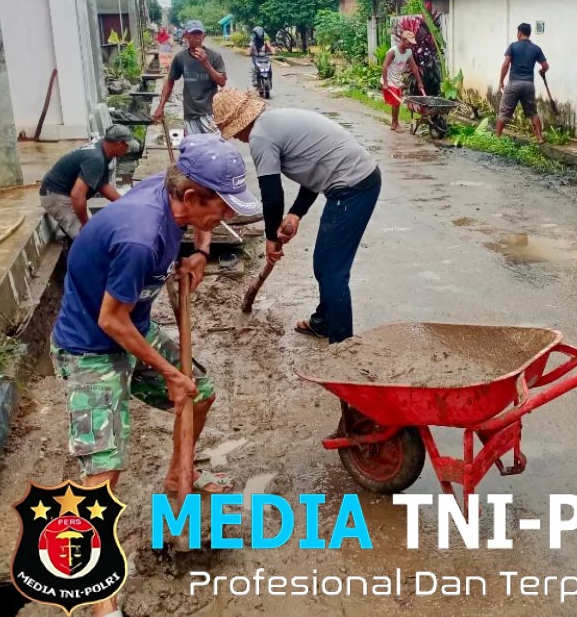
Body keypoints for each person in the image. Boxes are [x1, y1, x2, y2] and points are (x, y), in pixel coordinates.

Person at [50, 136, 261, 617]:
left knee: (200, 393)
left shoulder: (173, 198)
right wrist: (167, 371)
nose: (225, 219)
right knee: (105, 468)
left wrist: (201, 253)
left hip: (133, 327)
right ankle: (97, 600)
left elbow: (200, 228)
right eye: (221, 209)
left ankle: (177, 480)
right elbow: (110, 320)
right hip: (91, 346)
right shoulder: (140, 236)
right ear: (190, 198)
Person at [213, 89, 380, 344]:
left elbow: (272, 193)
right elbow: (314, 166)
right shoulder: (275, 121)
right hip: (352, 180)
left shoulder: (260, 137)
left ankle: (343, 346)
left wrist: (271, 239)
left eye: (233, 131)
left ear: (240, 124)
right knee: (324, 264)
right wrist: (295, 213)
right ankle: (324, 322)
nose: (236, 137)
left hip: (353, 187)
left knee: (332, 271)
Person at [39, 125, 137, 239]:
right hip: (56, 196)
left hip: (63, 192)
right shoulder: (96, 159)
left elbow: (103, 185)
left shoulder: (102, 151)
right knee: (87, 237)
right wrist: (85, 224)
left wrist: (125, 203)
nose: (128, 149)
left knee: (91, 231)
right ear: (119, 143)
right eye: (127, 145)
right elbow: (77, 196)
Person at [152, 19, 227, 135]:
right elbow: (170, 82)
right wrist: (160, 106)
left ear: (204, 36)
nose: (196, 36)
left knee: (213, 149)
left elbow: (222, 82)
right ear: (186, 35)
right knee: (193, 151)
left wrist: (206, 63)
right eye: (193, 33)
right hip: (190, 116)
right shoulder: (180, 58)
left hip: (211, 114)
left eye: (199, 33)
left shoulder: (214, 56)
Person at [497, 22, 549, 143]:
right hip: (528, 85)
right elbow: (545, 65)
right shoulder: (536, 49)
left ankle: (497, 138)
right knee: (533, 113)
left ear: (519, 33)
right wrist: (542, 71)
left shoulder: (513, 46)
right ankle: (540, 138)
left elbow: (505, 65)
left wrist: (500, 81)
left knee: (504, 112)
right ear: (529, 33)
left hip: (514, 83)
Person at [381, 31, 425, 132]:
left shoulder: (408, 52)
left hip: (398, 79)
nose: (410, 45)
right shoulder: (393, 52)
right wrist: (385, 83)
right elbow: (384, 66)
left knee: (397, 103)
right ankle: (395, 124)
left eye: (411, 43)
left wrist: (419, 82)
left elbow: (414, 67)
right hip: (389, 79)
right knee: (396, 102)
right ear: (403, 40)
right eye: (409, 43)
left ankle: (394, 123)